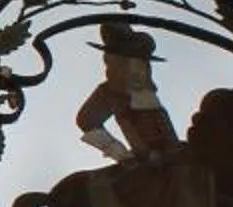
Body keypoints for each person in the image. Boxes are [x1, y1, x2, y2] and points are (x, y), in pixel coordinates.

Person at [76, 20, 179, 167]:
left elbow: (167, 142)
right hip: (123, 100)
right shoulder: (109, 91)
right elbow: (86, 120)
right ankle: (136, 159)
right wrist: (122, 155)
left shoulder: (144, 96)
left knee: (156, 152)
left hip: (142, 109)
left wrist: (161, 152)